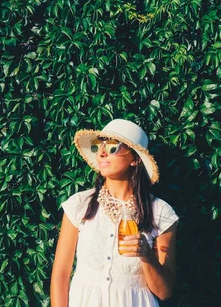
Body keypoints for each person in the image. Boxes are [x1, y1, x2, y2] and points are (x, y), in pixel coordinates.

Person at [50, 119, 179, 307]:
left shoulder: (161, 212)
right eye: (97, 146)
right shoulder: (79, 205)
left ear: (135, 159)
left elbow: (165, 292)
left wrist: (147, 256)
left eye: (112, 147)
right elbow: (60, 275)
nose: (102, 153)